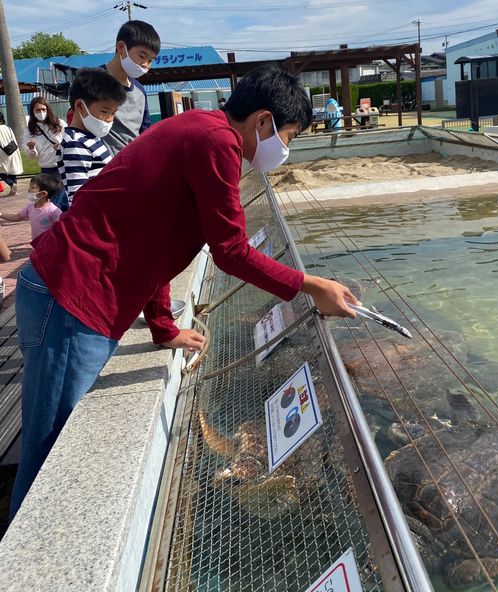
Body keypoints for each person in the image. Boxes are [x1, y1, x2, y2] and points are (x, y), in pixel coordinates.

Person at [10, 64, 358, 518]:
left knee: (52, 444)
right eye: (288, 135)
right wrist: (312, 287)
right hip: (70, 296)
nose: (285, 149)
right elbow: (231, 251)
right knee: (47, 454)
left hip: (81, 294)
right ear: (264, 122)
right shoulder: (217, 143)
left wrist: (162, 327)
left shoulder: (202, 130)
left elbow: (157, 240)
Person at [58, 68, 127, 204]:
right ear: (80, 106)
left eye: (113, 113)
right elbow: (78, 196)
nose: (109, 119)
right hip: (93, 217)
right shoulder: (75, 144)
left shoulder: (90, 138)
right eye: (104, 111)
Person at [102, 20, 159, 156]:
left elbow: (145, 133)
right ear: (121, 48)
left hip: (133, 167)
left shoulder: (140, 91)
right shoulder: (93, 81)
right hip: (101, 169)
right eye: (142, 56)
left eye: (150, 60)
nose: (145, 64)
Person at [23, 97, 68, 211]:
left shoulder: (60, 124)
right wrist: (32, 149)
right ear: (32, 112)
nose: (41, 112)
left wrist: (61, 146)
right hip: (45, 169)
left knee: (56, 202)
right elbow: (31, 156)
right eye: (37, 110)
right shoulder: (30, 130)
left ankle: (58, 223)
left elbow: (70, 142)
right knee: (54, 199)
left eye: (43, 109)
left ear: (48, 109)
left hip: (61, 167)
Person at [0, 173, 62, 240]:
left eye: (33, 187)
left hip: (50, 245)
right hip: (36, 244)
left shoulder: (54, 211)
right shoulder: (30, 207)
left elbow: (61, 230)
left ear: (43, 193)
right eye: (30, 186)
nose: (29, 189)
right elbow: (16, 217)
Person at [0, 113, 23, 196]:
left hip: (2, 153)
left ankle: (12, 184)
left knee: (1, 172)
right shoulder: (8, 128)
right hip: (13, 151)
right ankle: (14, 190)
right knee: (12, 171)